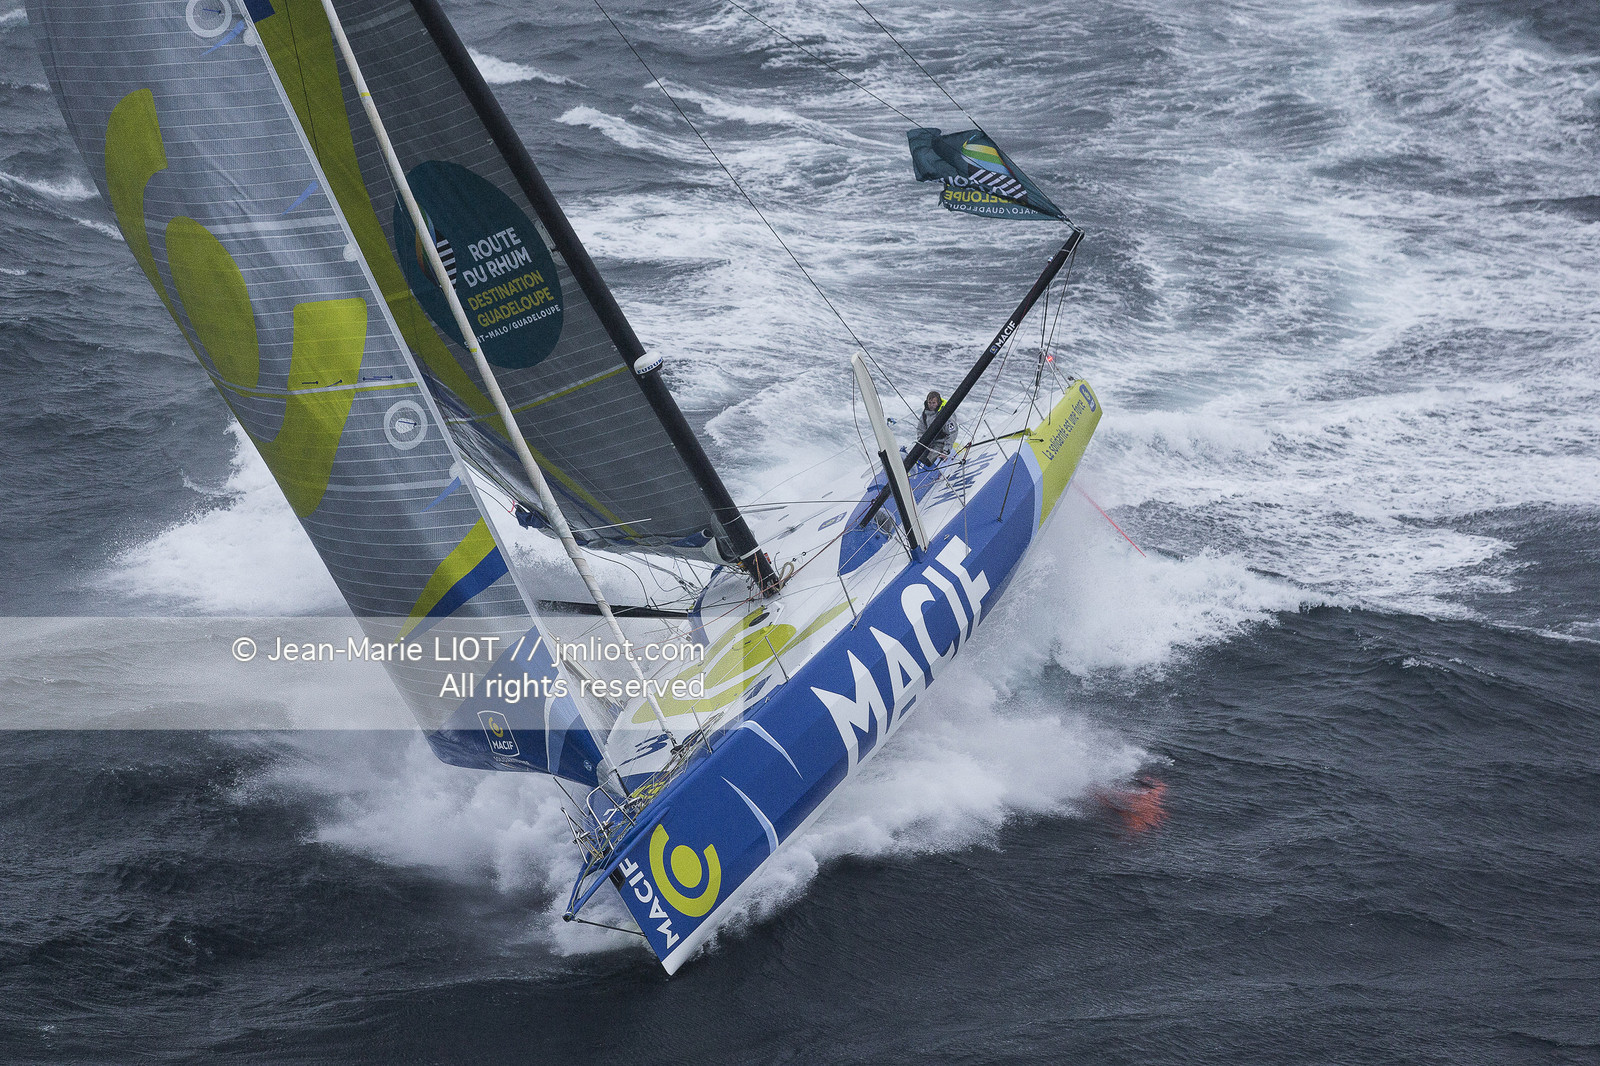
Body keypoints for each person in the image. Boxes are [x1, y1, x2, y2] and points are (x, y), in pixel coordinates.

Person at [915, 390, 957, 467]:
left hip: (941, 443)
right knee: (916, 457)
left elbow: (953, 432)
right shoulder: (925, 414)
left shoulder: (946, 413)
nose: (931, 405)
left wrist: (945, 451)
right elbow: (920, 429)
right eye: (929, 403)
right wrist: (921, 444)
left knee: (928, 462)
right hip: (928, 443)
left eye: (933, 403)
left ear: (938, 403)